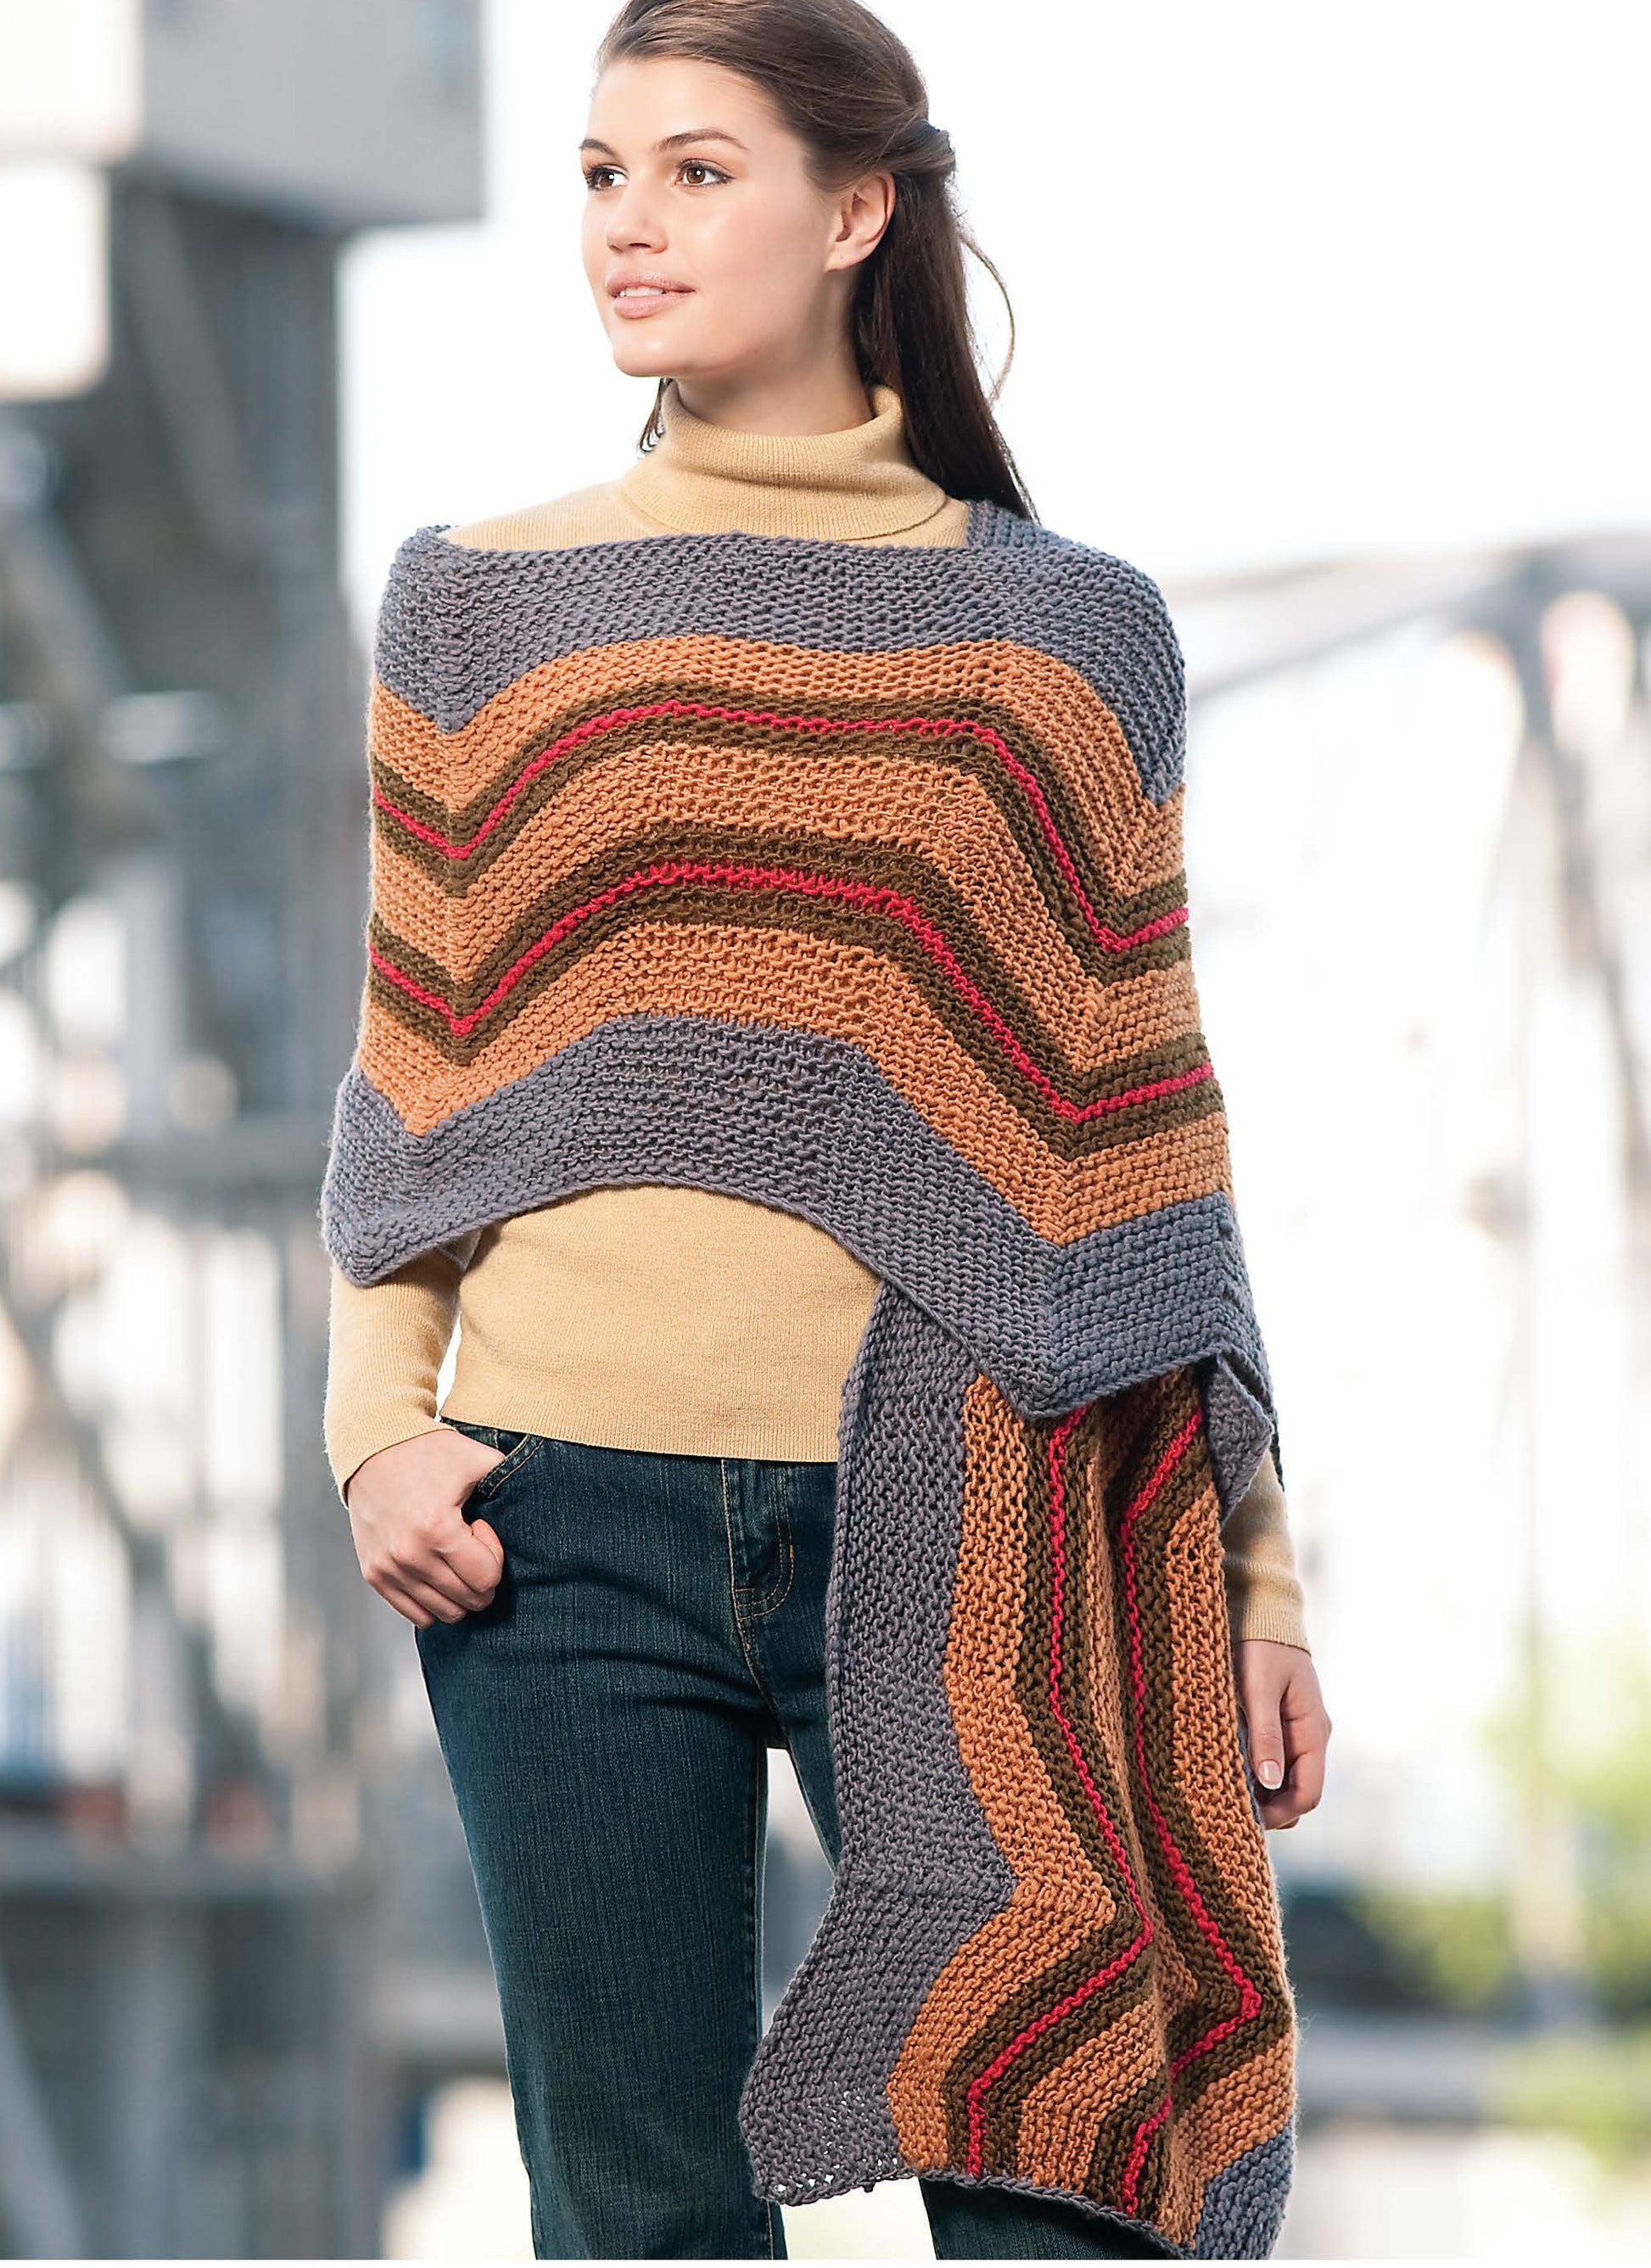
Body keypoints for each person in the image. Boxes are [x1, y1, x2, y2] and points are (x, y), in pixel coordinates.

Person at [322, 2, 1333, 2257]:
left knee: (1071, 2186)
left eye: (699, 171)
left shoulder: (1065, 636)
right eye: (603, 175)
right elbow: (419, 1065)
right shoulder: (477, 605)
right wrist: (376, 1426)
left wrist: (1252, 1578)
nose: (630, 226)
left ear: (857, 207)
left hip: (988, 1517)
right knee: (633, 2215)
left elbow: (1140, 1141)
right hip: (558, 1525)